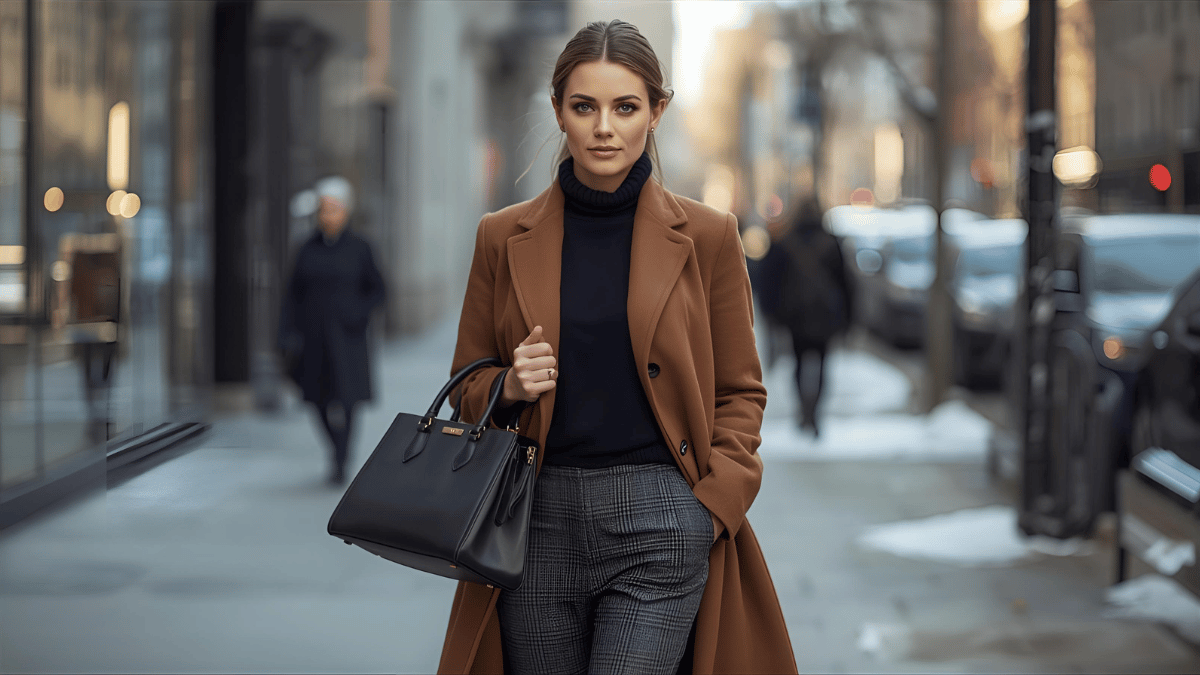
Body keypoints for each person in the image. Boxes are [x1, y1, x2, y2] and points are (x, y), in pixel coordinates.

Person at [438, 20, 797, 675]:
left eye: (625, 107)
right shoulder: (501, 236)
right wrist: (508, 386)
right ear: (559, 112)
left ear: (655, 112)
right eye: (585, 106)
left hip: (661, 519)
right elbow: (466, 385)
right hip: (534, 520)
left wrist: (710, 511)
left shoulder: (709, 236)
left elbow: (741, 391)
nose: (605, 126)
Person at [278, 176, 386, 486]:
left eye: (335, 209)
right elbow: (292, 294)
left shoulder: (361, 248)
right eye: (324, 210)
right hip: (313, 338)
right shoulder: (306, 248)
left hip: (348, 338)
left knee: (348, 398)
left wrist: (357, 314)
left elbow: (378, 290)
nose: (329, 216)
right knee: (315, 398)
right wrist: (286, 333)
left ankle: (342, 458)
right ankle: (336, 449)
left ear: (346, 211)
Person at [762, 199, 852, 436]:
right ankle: (815, 413)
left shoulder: (784, 242)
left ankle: (803, 411)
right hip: (824, 317)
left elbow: (770, 281)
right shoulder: (831, 243)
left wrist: (772, 314)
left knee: (799, 363)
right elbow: (846, 284)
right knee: (822, 364)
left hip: (796, 317)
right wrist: (848, 318)